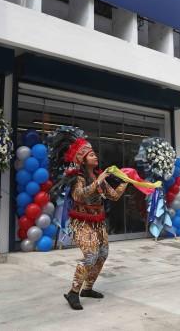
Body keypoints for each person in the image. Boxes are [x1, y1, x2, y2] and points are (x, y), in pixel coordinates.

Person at [50, 126, 128, 311]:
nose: (95, 156)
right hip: (81, 222)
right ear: (82, 159)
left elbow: (114, 196)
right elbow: (79, 196)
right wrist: (99, 180)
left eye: (94, 154)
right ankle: (73, 292)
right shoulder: (78, 177)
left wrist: (127, 181)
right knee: (91, 255)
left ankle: (88, 288)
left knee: (103, 254)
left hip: (99, 222)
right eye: (91, 154)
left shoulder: (97, 176)